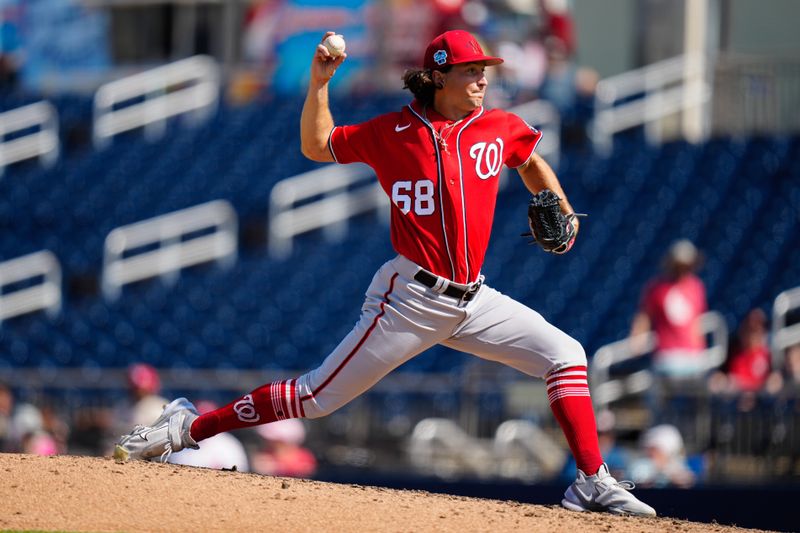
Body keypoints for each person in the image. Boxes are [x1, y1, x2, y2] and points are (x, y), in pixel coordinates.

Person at [114, 29, 655, 517]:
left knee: (567, 355)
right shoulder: (392, 130)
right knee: (315, 398)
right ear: (438, 76)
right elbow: (315, 145)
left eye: (484, 71)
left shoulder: (499, 126)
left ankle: (590, 481)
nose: (482, 80)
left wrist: (555, 199)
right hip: (409, 300)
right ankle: (186, 426)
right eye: (471, 71)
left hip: (473, 300)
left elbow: (529, 157)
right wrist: (320, 83)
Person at [630, 239, 708, 379]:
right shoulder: (657, 288)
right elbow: (644, 317)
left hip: (692, 356)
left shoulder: (696, 287)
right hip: (667, 356)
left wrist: (699, 349)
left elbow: (696, 323)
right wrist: (637, 341)